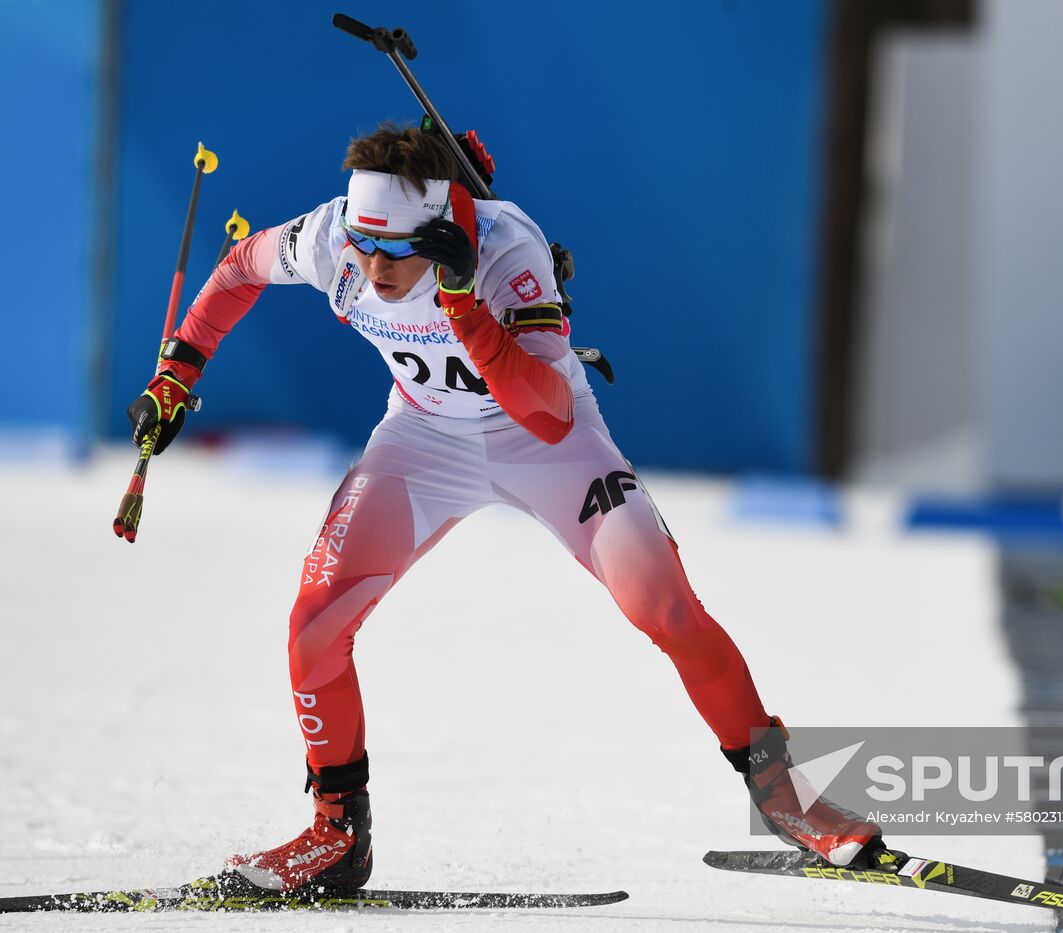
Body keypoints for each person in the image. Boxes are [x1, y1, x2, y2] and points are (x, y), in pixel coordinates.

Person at [126, 123, 894, 892]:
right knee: (313, 626)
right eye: (366, 247)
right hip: (423, 437)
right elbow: (237, 268)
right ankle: (337, 834)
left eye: (400, 251)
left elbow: (549, 415)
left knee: (667, 610)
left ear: (437, 227)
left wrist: (463, 300)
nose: (377, 268)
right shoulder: (333, 236)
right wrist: (177, 374)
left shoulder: (506, 248)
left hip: (547, 445)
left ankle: (788, 798)